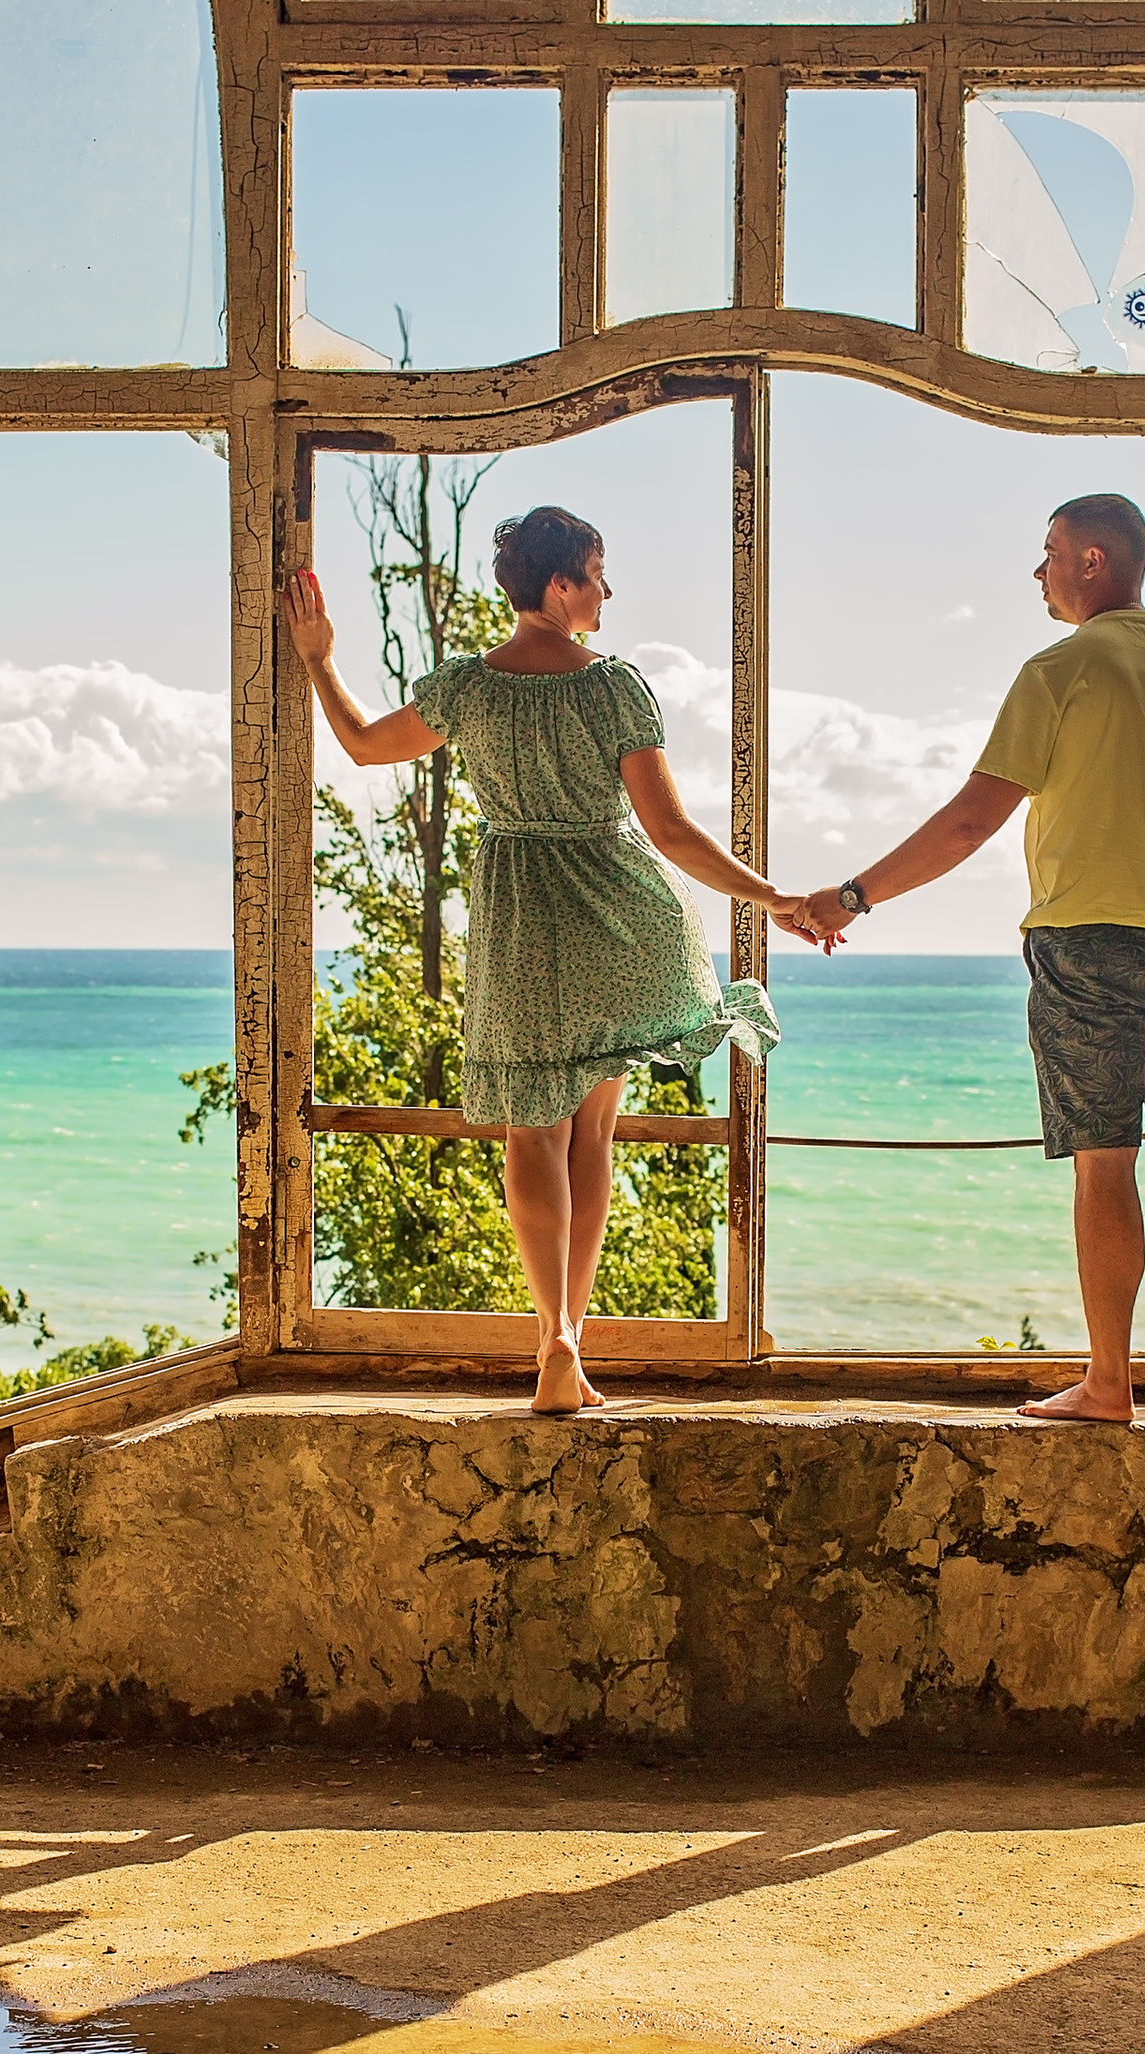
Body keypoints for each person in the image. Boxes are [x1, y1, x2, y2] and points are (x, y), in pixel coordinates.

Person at [783, 492, 1145, 1425]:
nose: (1038, 571)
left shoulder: (1060, 670)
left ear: (1094, 561)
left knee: (1104, 1161)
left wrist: (849, 896)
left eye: (1049, 552)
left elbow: (974, 819)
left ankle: (1110, 1385)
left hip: (1086, 942)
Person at [282, 505, 790, 1414]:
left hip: (520, 913)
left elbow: (361, 747)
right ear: (560, 586)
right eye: (597, 573)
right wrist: (775, 898)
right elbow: (669, 831)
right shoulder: (613, 687)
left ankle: (552, 1333)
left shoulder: (467, 690)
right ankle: (572, 1341)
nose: (606, 590)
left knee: (532, 1131)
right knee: (590, 1135)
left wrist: (320, 657)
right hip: (618, 916)